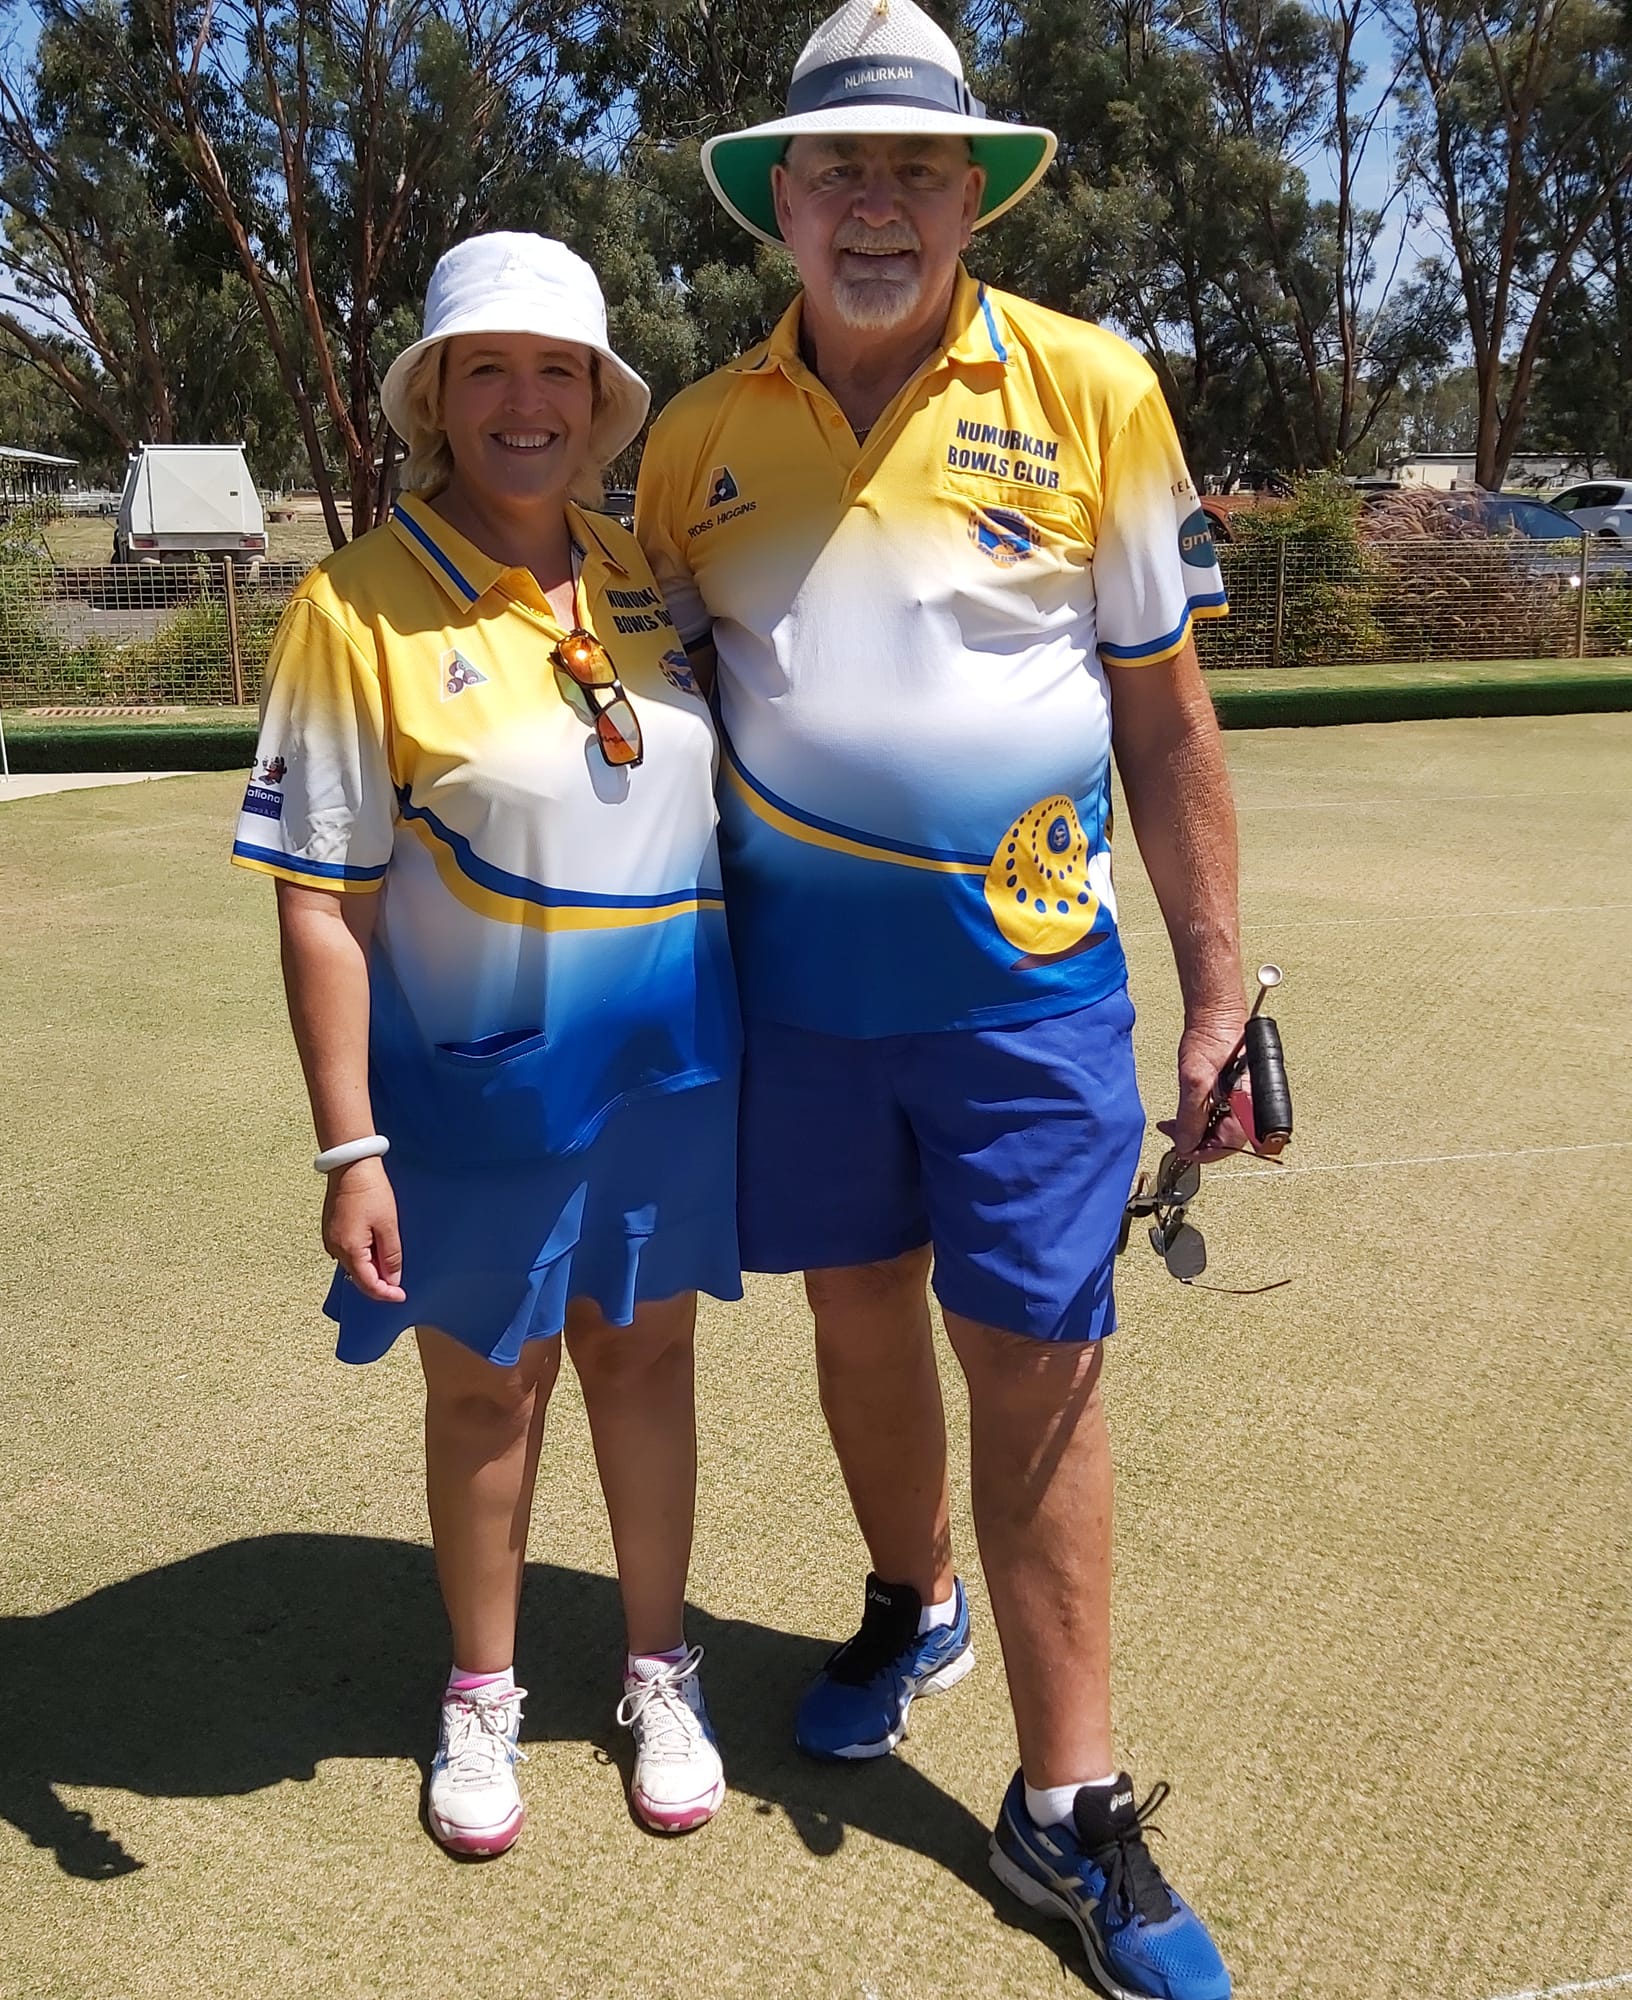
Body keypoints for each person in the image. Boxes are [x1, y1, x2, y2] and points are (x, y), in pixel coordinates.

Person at [636, 4, 1252, 1994]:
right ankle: (909, 1604)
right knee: (854, 1318)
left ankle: (1062, 1800)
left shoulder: (1090, 392)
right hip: (797, 1004)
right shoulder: (694, 445)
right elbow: (646, 729)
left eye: (918, 167)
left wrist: (1215, 985)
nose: (878, 203)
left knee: (1037, 1356)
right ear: (781, 205)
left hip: (1029, 1002)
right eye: (841, 170)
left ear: (972, 194)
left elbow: (1163, 719)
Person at [233, 232, 740, 1859]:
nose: (526, 403)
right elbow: (322, 906)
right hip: (470, 1094)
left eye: (558, 371)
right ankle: (482, 1691)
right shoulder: (352, 607)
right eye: (487, 371)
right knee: (488, 1399)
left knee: (649, 1362)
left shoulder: (651, 573)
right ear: (436, 399)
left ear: (601, 398)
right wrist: (347, 1146)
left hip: (666, 1074)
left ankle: (662, 1669)